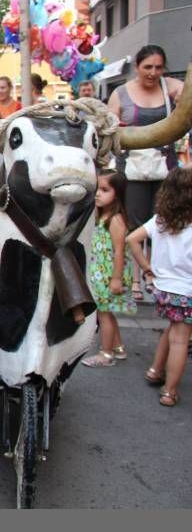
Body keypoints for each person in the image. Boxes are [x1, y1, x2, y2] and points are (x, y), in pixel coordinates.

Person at [109, 45, 184, 300]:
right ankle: (135, 279)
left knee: (161, 221)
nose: (153, 72)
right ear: (137, 67)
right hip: (132, 169)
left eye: (158, 67)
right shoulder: (121, 93)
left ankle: (154, 274)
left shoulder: (171, 87)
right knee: (134, 223)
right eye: (147, 67)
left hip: (164, 168)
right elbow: (109, 125)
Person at [126, 167, 192, 407]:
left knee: (172, 328)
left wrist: (147, 269)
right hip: (186, 290)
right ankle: (169, 391)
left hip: (162, 288)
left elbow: (132, 239)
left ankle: (156, 369)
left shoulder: (161, 220)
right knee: (180, 340)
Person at [82, 170, 137, 367]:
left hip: (108, 276)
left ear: (118, 193)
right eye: (97, 189)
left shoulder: (115, 220)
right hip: (101, 274)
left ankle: (106, 354)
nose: (98, 193)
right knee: (107, 312)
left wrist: (116, 279)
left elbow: (119, 250)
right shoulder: (103, 216)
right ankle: (118, 346)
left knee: (103, 314)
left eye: (105, 190)